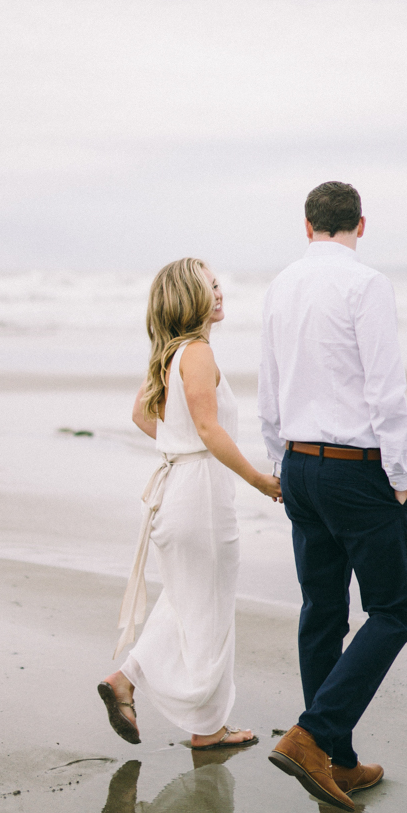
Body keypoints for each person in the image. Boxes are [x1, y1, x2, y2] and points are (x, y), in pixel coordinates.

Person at [258, 181, 407, 811]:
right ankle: (315, 736)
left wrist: (280, 461)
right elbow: (386, 388)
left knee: (322, 612)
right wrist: (400, 478)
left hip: (299, 464)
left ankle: (340, 761)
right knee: (395, 610)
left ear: (307, 226)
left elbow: (270, 386)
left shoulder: (280, 285)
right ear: (360, 223)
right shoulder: (367, 283)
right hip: (360, 469)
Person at [99, 257, 282, 750]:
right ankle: (208, 728)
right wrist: (260, 480)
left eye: (221, 284)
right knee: (209, 611)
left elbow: (141, 414)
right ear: (189, 296)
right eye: (210, 286)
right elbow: (208, 429)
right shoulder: (197, 351)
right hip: (198, 491)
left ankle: (127, 680)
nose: (220, 293)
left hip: (177, 488)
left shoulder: (171, 353)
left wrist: (178, 444)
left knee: (186, 603)